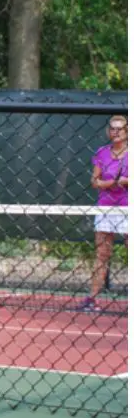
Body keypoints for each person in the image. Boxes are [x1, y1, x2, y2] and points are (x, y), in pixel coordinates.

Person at [81, 115, 128, 312]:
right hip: (105, 208)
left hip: (128, 208)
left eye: (120, 129)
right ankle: (92, 298)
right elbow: (95, 181)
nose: (115, 132)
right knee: (102, 254)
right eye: (112, 128)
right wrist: (110, 184)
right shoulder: (102, 153)